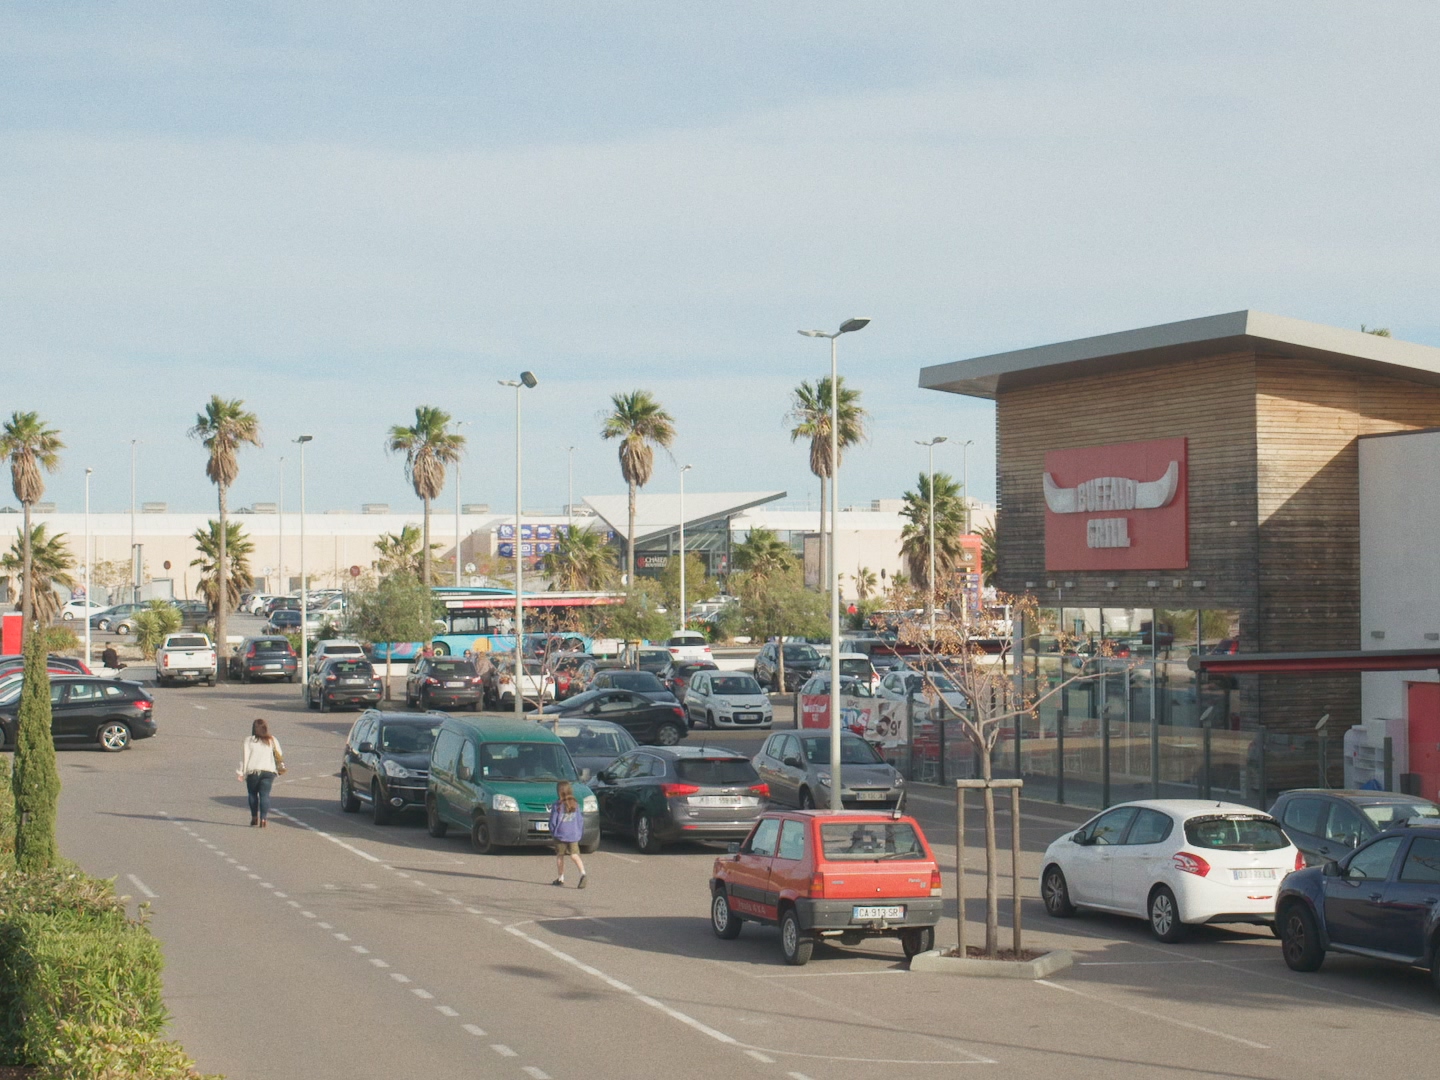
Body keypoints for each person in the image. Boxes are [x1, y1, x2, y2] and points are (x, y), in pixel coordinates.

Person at [238, 717, 283, 828]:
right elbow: (279, 754)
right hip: (269, 771)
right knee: (265, 795)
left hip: (253, 771)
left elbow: (245, 757)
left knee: (252, 794)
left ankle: (254, 817)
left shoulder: (249, 740)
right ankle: (263, 819)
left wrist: (241, 772)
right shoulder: (272, 739)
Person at [549, 780, 587, 889]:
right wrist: (579, 832)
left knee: (560, 855)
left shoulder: (557, 805)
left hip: (560, 834)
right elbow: (580, 820)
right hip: (574, 834)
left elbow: (553, 821)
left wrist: (553, 831)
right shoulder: (575, 804)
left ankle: (561, 878)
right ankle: (583, 873)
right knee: (574, 855)